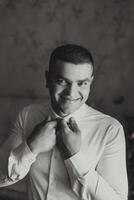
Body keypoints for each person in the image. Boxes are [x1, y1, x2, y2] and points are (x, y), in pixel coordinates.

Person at [0, 44, 128, 200]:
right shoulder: (28, 115)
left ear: (91, 82)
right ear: (47, 79)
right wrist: (31, 147)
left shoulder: (110, 130)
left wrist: (74, 156)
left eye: (82, 83)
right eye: (62, 81)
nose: (71, 93)